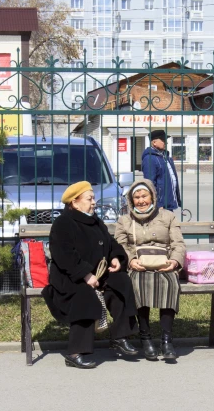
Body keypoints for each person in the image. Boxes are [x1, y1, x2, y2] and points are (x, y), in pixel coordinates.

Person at [43, 181, 139, 369]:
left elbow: (110, 243)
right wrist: (85, 275)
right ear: (75, 202)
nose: (94, 202)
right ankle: (75, 352)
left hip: (99, 273)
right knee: (84, 296)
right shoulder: (63, 223)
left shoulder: (95, 221)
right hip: (69, 277)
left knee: (121, 282)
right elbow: (64, 255)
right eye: (89, 198)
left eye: (93, 198)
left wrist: (116, 257)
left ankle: (120, 336)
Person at [114, 180, 186, 360]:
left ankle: (166, 340)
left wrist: (175, 262)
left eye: (144, 196)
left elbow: (178, 244)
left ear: (152, 196)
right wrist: (130, 261)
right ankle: (145, 338)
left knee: (170, 284)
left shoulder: (167, 216)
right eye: (136, 197)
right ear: (131, 200)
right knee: (137, 285)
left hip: (164, 263)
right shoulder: (124, 220)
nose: (141, 200)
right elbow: (120, 245)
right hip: (138, 264)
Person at [141, 129, 182, 212]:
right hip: (161, 206)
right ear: (154, 142)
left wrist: (177, 200)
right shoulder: (150, 159)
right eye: (163, 140)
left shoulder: (165, 157)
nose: (165, 143)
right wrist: (158, 204)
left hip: (169, 204)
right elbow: (150, 184)